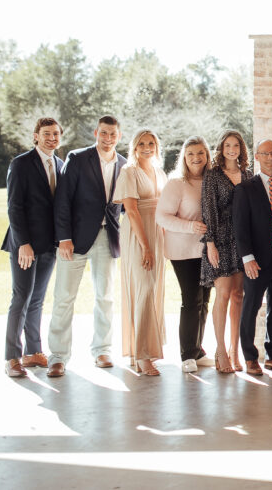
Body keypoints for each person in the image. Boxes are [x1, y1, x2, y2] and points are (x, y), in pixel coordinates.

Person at [47, 115, 126, 377]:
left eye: (112, 134)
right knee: (63, 298)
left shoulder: (125, 165)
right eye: (103, 133)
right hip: (75, 239)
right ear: (96, 133)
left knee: (105, 297)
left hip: (107, 238)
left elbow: (125, 206)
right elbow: (63, 201)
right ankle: (58, 356)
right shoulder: (77, 158)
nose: (107, 139)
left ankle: (102, 349)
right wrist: (64, 238)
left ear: (119, 136)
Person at [2, 117, 63, 377]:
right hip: (24, 245)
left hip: (49, 245)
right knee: (21, 298)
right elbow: (14, 207)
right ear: (36, 136)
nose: (52, 138)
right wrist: (23, 244)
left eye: (56, 134)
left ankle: (33, 352)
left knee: (37, 299)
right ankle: (12, 357)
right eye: (46, 133)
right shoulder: (21, 164)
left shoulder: (60, 165)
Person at [233, 139, 272, 376]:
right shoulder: (246, 188)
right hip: (256, 260)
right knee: (251, 307)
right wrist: (247, 258)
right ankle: (250, 357)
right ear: (257, 157)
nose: (271, 157)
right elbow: (240, 227)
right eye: (265, 154)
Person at [114, 128, 168, 376]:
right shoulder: (129, 171)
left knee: (154, 289)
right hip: (138, 235)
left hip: (157, 232)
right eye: (142, 143)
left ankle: (144, 352)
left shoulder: (158, 171)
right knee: (143, 289)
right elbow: (131, 211)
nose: (147, 147)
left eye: (151, 143)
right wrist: (145, 245)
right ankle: (142, 355)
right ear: (134, 147)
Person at [156, 136, 212, 373]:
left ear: (207, 156)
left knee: (205, 301)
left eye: (200, 153)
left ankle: (198, 350)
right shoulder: (176, 183)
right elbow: (162, 217)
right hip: (183, 251)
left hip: (207, 250)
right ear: (183, 157)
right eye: (190, 154)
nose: (196, 158)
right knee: (192, 300)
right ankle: (186, 354)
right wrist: (190, 226)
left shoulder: (211, 181)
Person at [202, 129, 252, 373]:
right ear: (221, 148)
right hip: (220, 240)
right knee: (222, 294)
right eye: (227, 145)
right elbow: (208, 209)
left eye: (236, 145)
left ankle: (235, 350)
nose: (232, 149)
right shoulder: (212, 176)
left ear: (241, 149)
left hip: (242, 242)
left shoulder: (248, 174)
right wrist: (210, 243)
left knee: (238, 296)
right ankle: (220, 351)